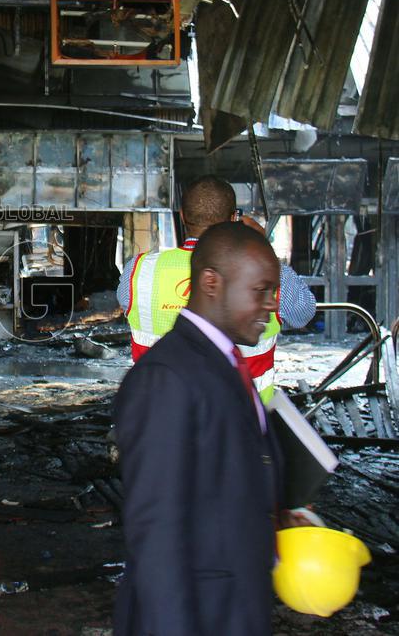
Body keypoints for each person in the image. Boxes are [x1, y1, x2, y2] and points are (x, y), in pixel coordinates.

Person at [113, 222, 286, 636]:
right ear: (211, 282)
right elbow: (157, 538)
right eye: (259, 291)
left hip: (232, 608)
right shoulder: (168, 377)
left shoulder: (225, 361)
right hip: (199, 616)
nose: (270, 305)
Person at [116, 175, 315, 404]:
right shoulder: (262, 275)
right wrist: (262, 251)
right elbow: (303, 312)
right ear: (233, 219)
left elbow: (127, 304)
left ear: (182, 216)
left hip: (157, 419)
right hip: (242, 423)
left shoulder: (139, 272)